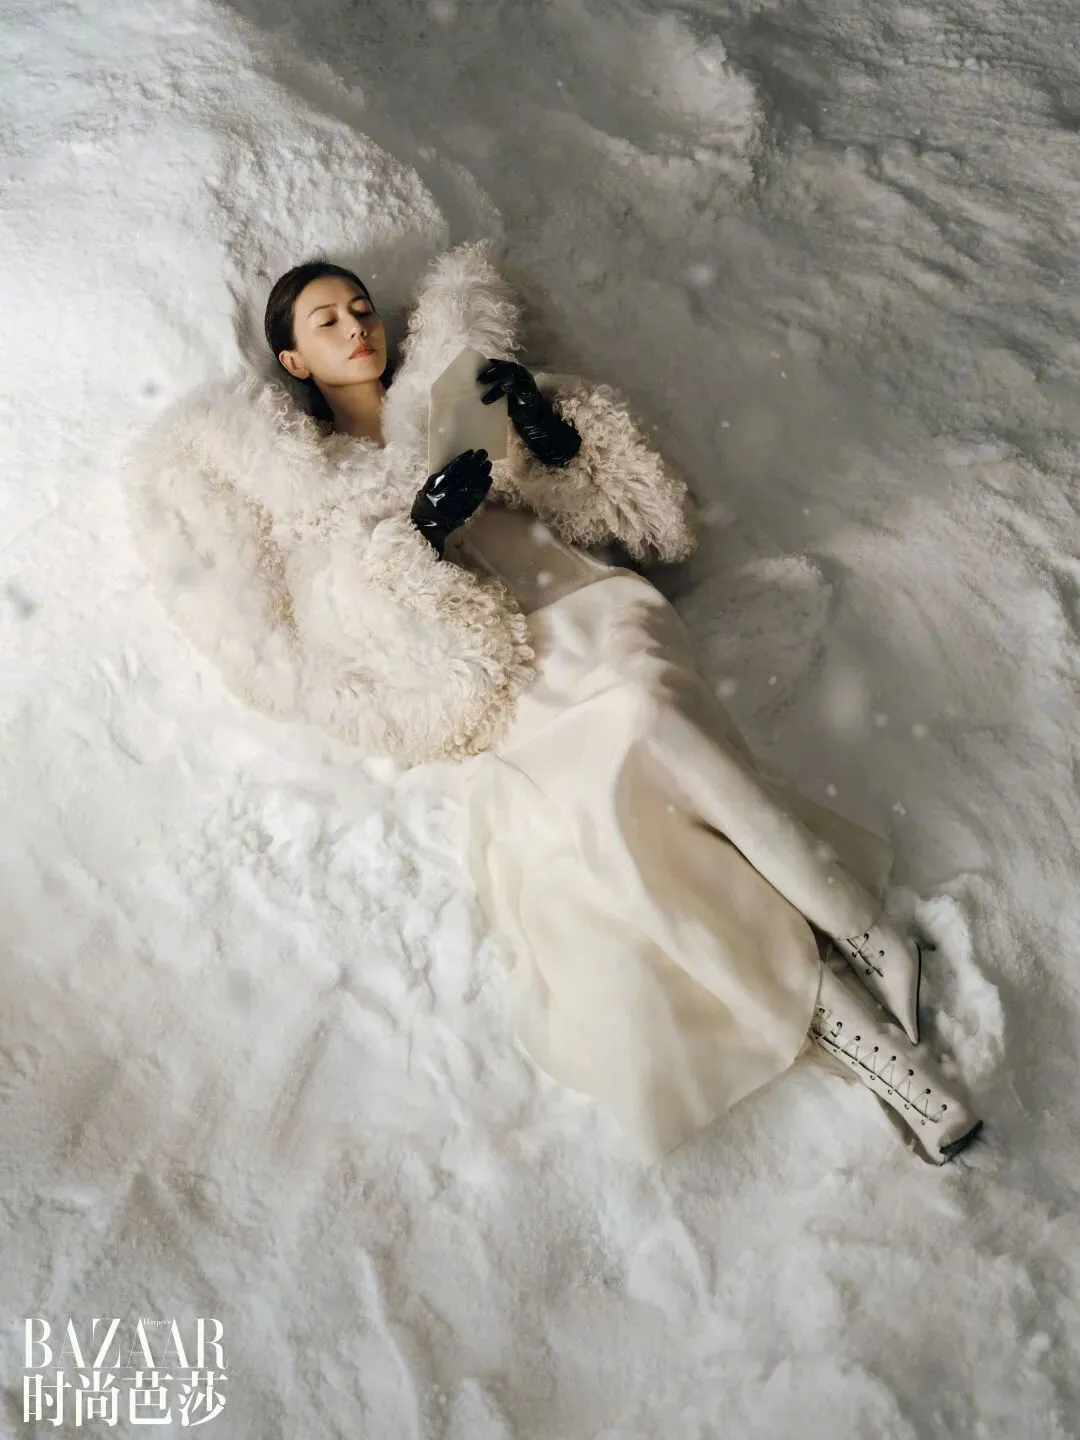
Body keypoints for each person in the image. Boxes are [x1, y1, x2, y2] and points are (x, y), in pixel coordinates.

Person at [124, 241, 983, 1165]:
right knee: (609, 827)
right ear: (294, 361)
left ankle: (857, 926)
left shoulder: (454, 388)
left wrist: (547, 430)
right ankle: (869, 1038)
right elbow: (347, 632)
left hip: (587, 610)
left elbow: (633, 510)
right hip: (495, 677)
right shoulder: (314, 497)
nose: (356, 327)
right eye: (326, 321)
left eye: (361, 307)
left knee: (648, 711)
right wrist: (417, 536)